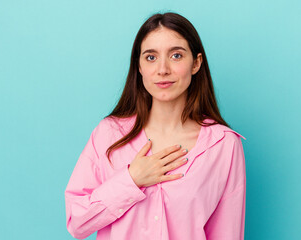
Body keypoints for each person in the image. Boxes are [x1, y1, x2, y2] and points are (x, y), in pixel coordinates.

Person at [65, 12, 246, 240]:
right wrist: (131, 180)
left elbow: (227, 233)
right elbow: (76, 221)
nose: (162, 69)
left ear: (196, 63)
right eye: (151, 57)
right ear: (139, 67)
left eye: (176, 55)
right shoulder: (108, 134)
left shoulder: (223, 145)